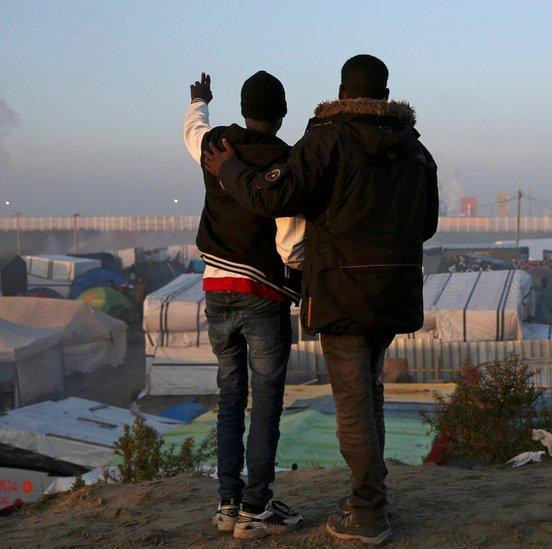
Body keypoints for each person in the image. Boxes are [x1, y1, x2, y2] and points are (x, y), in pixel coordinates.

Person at [202, 54, 438, 545]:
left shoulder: (328, 140)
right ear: (386, 95)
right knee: (369, 390)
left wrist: (229, 170)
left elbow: (272, 198)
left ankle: (368, 513)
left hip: (343, 291)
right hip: (395, 291)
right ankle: (368, 495)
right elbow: (427, 225)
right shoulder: (417, 151)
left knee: (352, 400)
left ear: (343, 92)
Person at [183, 70, 304, 540]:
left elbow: (191, 131)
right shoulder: (287, 161)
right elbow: (291, 243)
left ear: (243, 108)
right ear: (282, 113)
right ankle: (257, 507)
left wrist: (200, 101)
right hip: (262, 296)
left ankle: (227, 504)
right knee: (267, 400)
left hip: (215, 291)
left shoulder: (215, 145)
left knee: (230, 396)